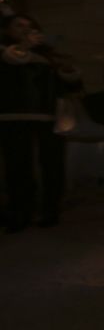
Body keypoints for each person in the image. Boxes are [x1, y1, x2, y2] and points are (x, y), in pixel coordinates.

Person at [0, 14, 81, 232]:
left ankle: (50, 210)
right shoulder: (4, 50)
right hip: (13, 117)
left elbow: (72, 86)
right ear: (7, 30)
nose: (26, 30)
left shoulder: (47, 56)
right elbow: (14, 59)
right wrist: (25, 46)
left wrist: (67, 69)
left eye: (30, 26)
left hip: (49, 117)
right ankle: (20, 212)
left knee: (53, 165)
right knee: (18, 167)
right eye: (19, 26)